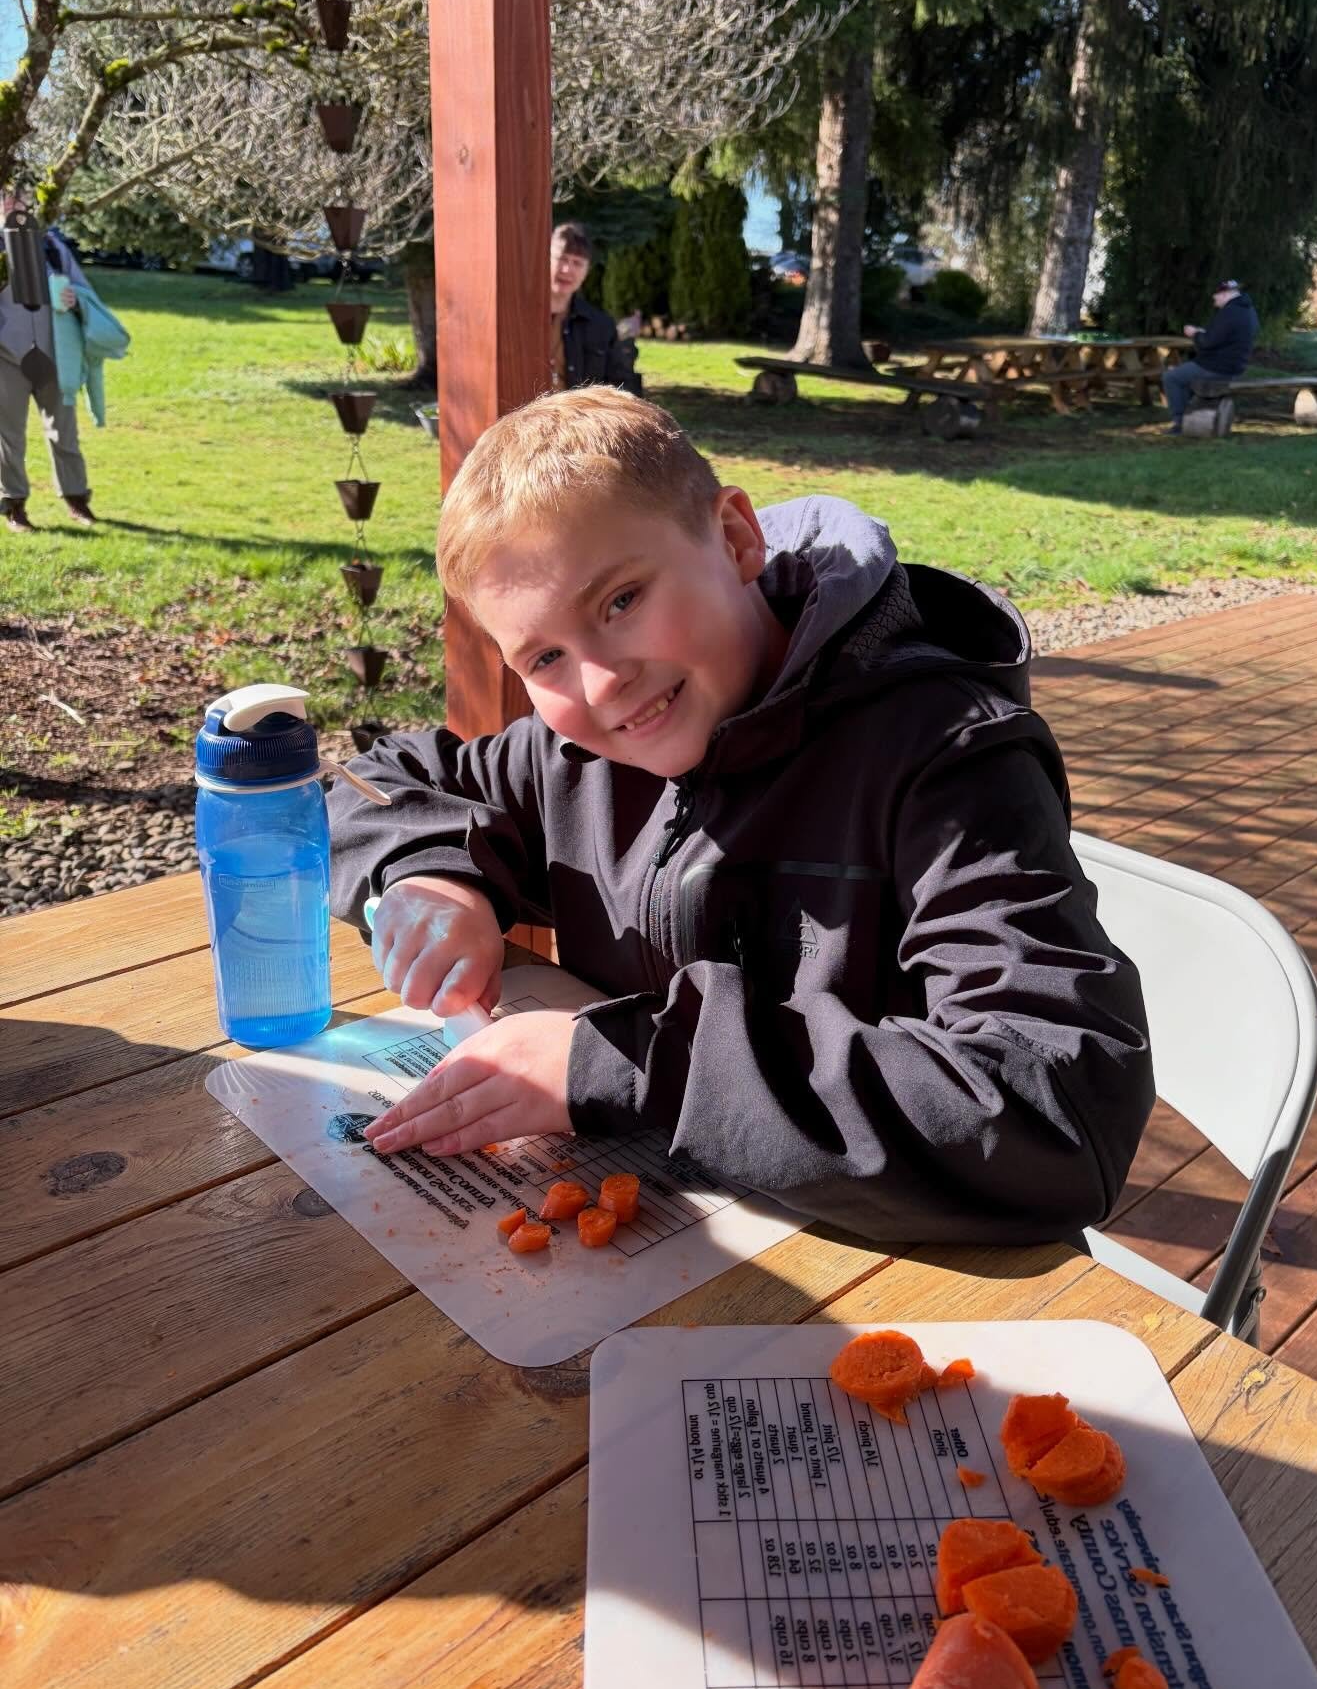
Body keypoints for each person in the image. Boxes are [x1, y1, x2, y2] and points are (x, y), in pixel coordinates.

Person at [328, 388, 1153, 1245]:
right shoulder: (576, 753)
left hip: (910, 1269)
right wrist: (433, 874)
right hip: (672, 1246)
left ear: (735, 538)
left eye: (621, 601)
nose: (604, 681)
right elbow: (372, 783)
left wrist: (628, 1063)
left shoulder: (943, 762)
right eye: (546, 656)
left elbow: (1059, 1113)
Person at [0, 204, 98, 531]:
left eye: (25, 197)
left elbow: (84, 292)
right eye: (7, 198)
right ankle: (14, 506)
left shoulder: (51, 245)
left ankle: (76, 499)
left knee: (65, 430)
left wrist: (75, 298)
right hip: (6, 358)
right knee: (9, 437)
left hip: (54, 355)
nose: (16, 205)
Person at [549, 221, 642, 395]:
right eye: (562, 258)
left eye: (577, 263)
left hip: (577, 421)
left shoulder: (601, 326)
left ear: (586, 271)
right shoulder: (519, 319)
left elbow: (620, 386)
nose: (567, 269)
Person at [1161, 278, 1258, 433]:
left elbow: (1208, 343)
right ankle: (1190, 418)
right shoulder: (1247, 310)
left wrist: (1194, 334)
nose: (1214, 297)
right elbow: (1223, 337)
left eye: (1216, 294)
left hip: (1217, 366)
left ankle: (1179, 423)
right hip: (1235, 365)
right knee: (1183, 375)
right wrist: (1203, 333)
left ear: (1225, 294)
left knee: (1171, 377)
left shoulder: (1229, 312)